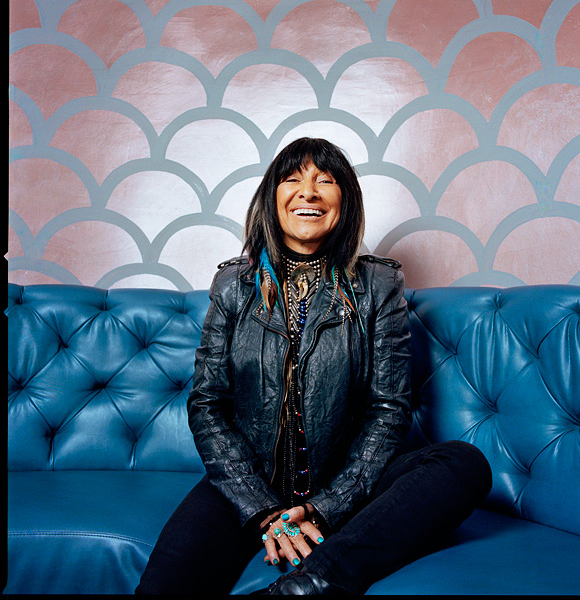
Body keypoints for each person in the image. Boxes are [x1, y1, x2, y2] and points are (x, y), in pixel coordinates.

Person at [136, 137, 492, 595]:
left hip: (351, 486)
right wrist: (264, 510)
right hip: (248, 484)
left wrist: (326, 507)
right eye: (293, 179)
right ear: (272, 197)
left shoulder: (379, 284)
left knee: (462, 463)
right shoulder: (232, 285)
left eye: (325, 180)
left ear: (345, 200)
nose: (308, 191)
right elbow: (207, 405)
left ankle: (305, 587)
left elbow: (389, 410)